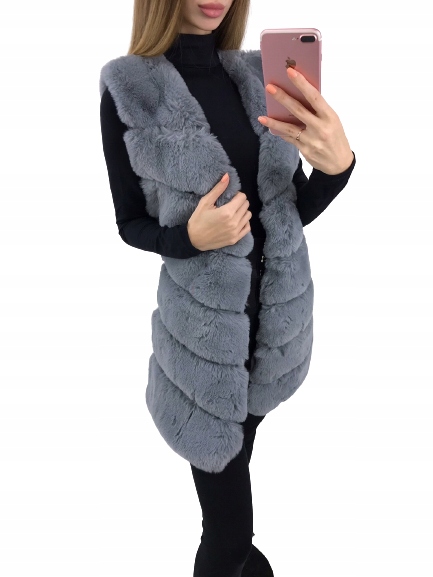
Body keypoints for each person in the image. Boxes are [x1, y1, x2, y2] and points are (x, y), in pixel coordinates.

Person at [99, 1, 356, 575]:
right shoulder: (129, 89)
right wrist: (190, 237)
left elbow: (285, 214)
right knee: (231, 533)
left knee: (229, 509)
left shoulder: (257, 75)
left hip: (273, 335)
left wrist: (337, 171)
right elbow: (128, 223)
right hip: (203, 349)